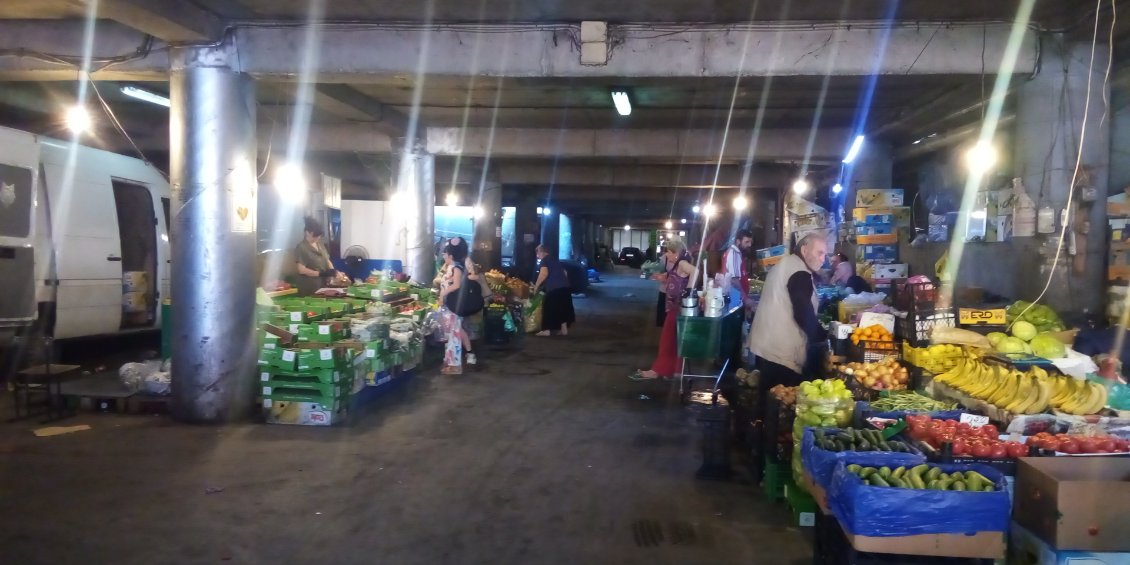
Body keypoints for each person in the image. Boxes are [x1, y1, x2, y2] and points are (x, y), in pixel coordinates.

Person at [747, 232, 829, 421]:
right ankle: (768, 446)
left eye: (824, 255)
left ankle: (758, 442)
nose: (822, 259)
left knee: (767, 403)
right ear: (804, 249)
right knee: (780, 408)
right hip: (781, 350)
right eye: (820, 253)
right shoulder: (799, 272)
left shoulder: (787, 264)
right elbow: (802, 311)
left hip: (768, 344)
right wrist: (821, 336)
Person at [631, 237, 697, 381]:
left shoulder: (683, 263)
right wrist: (656, 276)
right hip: (674, 308)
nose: (666, 255)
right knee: (673, 341)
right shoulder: (676, 264)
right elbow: (670, 277)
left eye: (668, 252)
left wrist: (689, 290)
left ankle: (658, 371)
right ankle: (672, 371)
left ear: (675, 253)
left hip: (678, 309)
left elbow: (695, 272)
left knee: (667, 341)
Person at [438, 239, 477, 374]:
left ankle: (454, 365)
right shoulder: (450, 267)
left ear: (451, 256)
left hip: (454, 305)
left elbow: (457, 285)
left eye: (445, 254)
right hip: (451, 305)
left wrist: (443, 293)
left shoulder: (457, 267)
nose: (443, 256)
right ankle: (465, 355)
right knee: (457, 330)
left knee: (455, 333)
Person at [532, 244, 575, 336]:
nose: (537, 256)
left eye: (538, 253)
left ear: (542, 252)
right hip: (565, 287)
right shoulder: (555, 260)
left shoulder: (544, 261)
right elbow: (565, 272)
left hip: (554, 288)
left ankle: (546, 330)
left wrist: (536, 286)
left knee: (548, 308)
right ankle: (564, 330)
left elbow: (544, 273)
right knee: (562, 308)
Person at [294, 217, 340, 296]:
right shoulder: (301, 247)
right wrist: (320, 273)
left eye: (319, 236)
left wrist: (332, 271)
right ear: (307, 232)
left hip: (323, 285)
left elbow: (327, 260)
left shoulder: (320, 244)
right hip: (310, 287)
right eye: (315, 236)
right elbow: (301, 270)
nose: (317, 238)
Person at [722, 229, 754, 309]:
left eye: (750, 242)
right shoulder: (734, 254)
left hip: (738, 298)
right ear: (738, 241)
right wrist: (745, 299)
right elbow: (734, 280)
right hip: (735, 300)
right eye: (747, 242)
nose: (749, 245)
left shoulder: (737, 254)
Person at [653, 247, 670, 327]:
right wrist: (661, 276)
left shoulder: (682, 259)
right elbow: (658, 272)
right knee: (663, 309)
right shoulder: (664, 258)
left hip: (675, 290)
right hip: (665, 289)